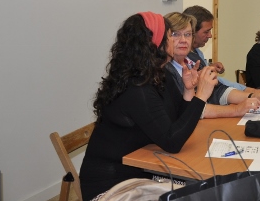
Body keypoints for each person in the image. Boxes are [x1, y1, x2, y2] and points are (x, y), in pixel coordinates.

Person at [79, 12, 217, 201]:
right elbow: (172, 142)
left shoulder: (159, 74)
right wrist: (201, 95)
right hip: (113, 186)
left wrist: (188, 91)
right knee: (201, 192)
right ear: (156, 43)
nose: (175, 40)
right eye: (171, 35)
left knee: (203, 189)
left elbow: (177, 123)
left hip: (140, 172)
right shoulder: (137, 88)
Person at [164, 12, 260, 118]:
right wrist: (236, 110)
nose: (183, 40)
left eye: (187, 34)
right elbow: (189, 108)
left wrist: (252, 96)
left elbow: (218, 90)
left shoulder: (194, 59)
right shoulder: (165, 70)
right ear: (165, 38)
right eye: (176, 34)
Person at [183, 5, 260, 99]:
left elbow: (219, 82)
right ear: (192, 31)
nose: (210, 36)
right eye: (206, 32)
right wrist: (251, 93)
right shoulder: (183, 61)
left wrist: (251, 91)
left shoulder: (197, 53)